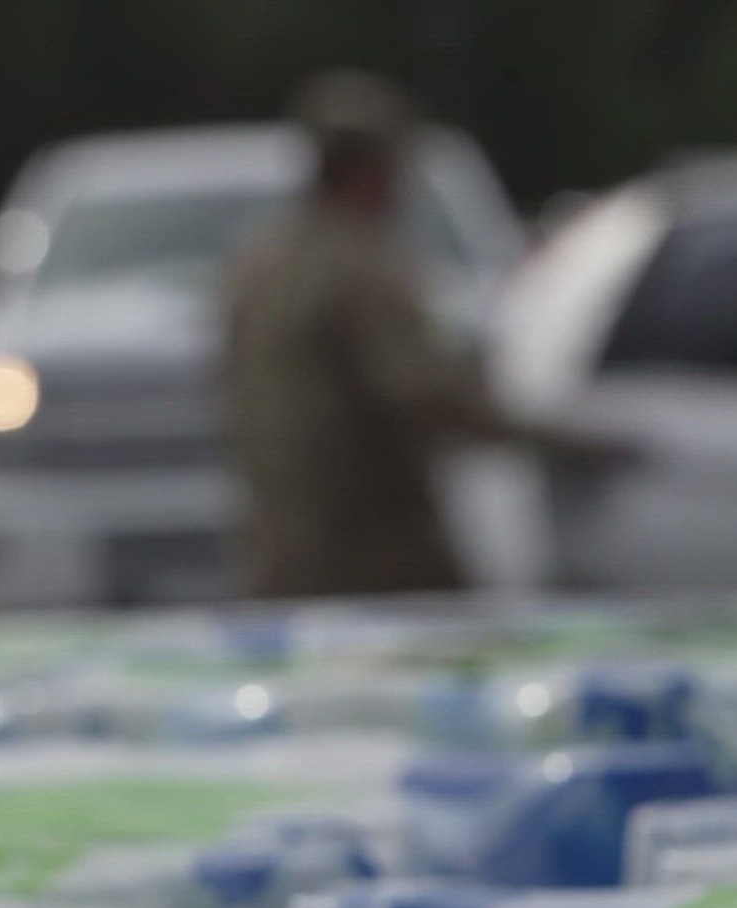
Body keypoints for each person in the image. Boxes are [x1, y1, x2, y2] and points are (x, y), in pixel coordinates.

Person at [220, 71, 621, 600]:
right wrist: (558, 440)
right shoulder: (362, 269)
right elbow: (426, 395)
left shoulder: (257, 262)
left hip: (277, 556)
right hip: (372, 560)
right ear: (377, 168)